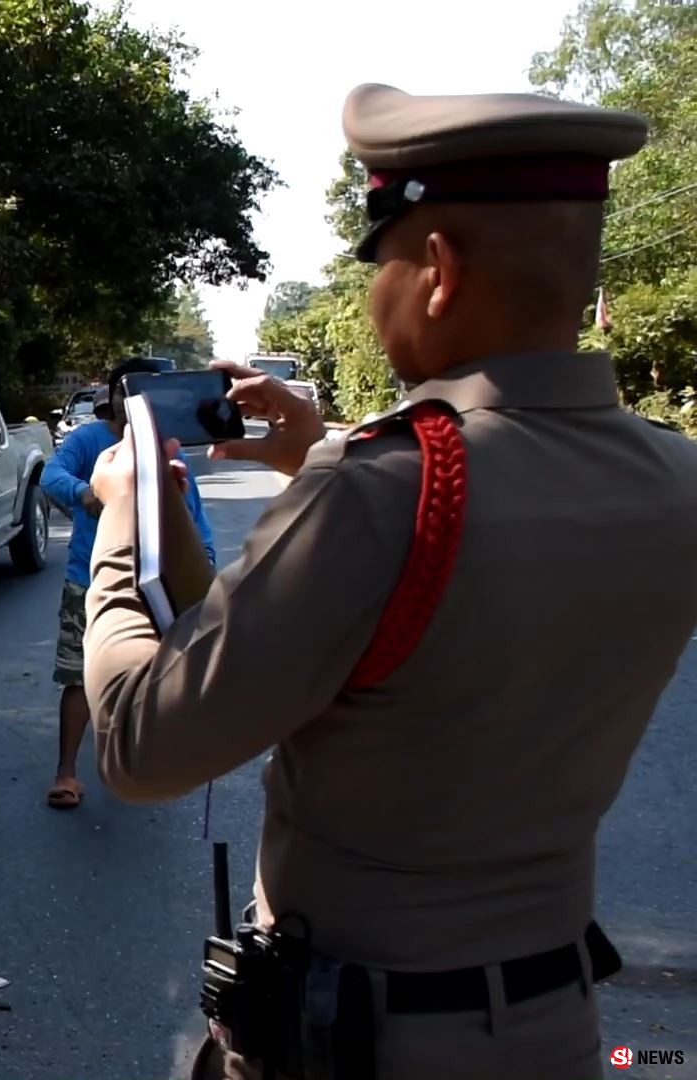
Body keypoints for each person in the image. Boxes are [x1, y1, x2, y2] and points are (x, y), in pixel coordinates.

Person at [82, 84, 697, 1079]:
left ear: (439, 272)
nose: (374, 295)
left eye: (381, 261)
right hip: (556, 1025)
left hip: (362, 1040)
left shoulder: (379, 495)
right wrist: (319, 454)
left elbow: (139, 746)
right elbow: (490, 538)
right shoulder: (673, 478)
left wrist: (124, 516)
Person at [38, 357, 215, 810]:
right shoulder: (88, 440)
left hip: (156, 585)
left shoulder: (168, 451)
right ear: (112, 396)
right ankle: (66, 772)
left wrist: (205, 565)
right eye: (126, 388)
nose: (133, 398)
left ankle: (134, 766)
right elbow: (50, 475)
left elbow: (194, 516)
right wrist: (86, 493)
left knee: (155, 676)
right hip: (89, 580)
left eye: (147, 389)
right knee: (78, 678)